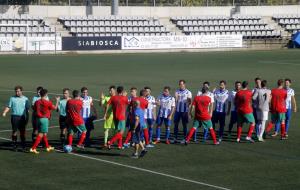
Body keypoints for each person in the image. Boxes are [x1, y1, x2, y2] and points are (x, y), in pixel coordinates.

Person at [30, 89, 60, 154]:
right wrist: (57, 101)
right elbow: (55, 108)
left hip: (38, 119)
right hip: (44, 119)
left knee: (44, 134)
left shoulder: (37, 102)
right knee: (41, 134)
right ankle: (33, 148)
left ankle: (47, 146)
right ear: (46, 94)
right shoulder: (47, 102)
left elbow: (34, 108)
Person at [2, 86, 30, 151]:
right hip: (14, 117)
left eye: (18, 91)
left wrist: (27, 118)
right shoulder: (12, 98)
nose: (17, 93)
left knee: (22, 132)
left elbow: (27, 110)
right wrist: (4, 112)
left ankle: (23, 146)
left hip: (22, 118)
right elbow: (8, 107)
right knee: (14, 131)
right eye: (16, 91)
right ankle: (14, 145)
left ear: (21, 91)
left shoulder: (26, 99)